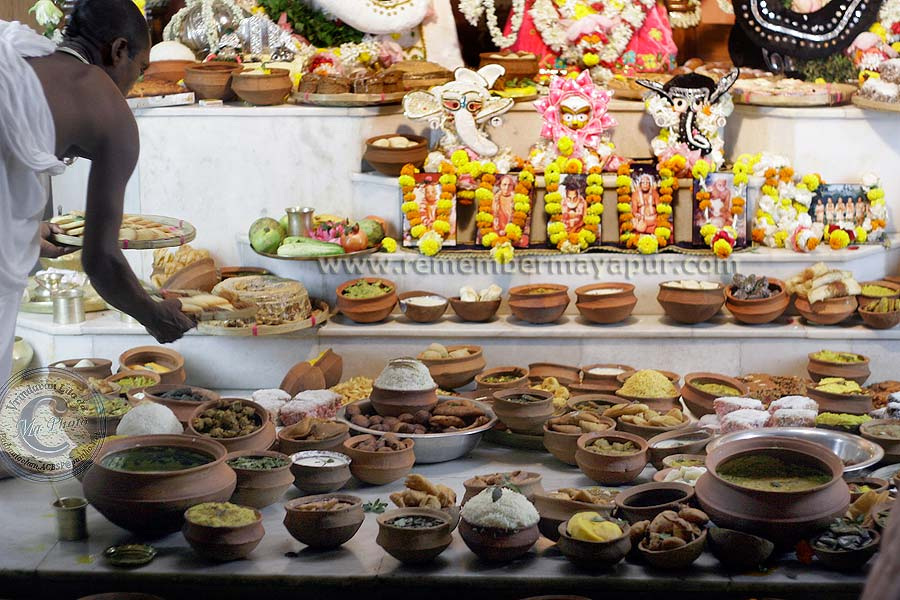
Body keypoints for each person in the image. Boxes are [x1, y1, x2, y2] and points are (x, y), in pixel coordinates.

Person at [0, 0, 194, 380]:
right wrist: (154, 315)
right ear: (118, 50)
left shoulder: (17, 50)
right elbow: (100, 260)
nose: (133, 85)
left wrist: (20, 229)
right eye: (139, 70)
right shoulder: (108, 107)